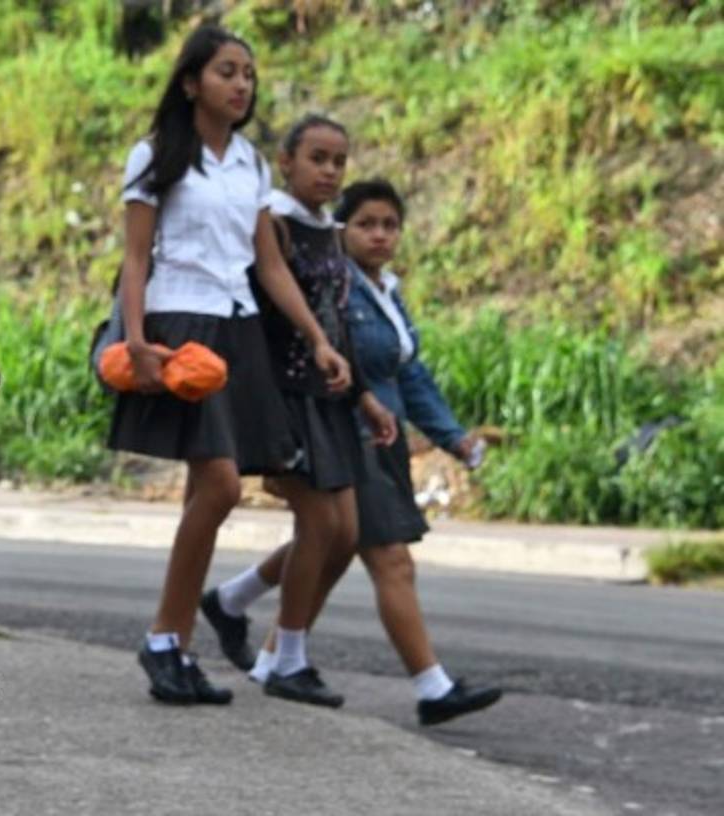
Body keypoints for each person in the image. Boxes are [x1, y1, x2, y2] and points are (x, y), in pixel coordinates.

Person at [110, 26, 352, 706]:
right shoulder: (155, 155)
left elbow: (268, 265)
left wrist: (318, 338)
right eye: (226, 71)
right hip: (177, 323)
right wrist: (135, 340)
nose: (241, 84)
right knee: (219, 486)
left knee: (208, 489)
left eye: (248, 73)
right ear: (191, 82)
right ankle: (164, 638)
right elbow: (135, 259)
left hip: (238, 327)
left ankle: (176, 647)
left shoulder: (250, 164)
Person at [205, 178, 503, 726]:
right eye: (367, 224)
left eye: (390, 225)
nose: (380, 235)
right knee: (387, 558)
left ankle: (248, 622)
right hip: (345, 431)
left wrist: (453, 438)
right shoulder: (333, 287)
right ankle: (431, 685)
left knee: (328, 543)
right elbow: (330, 354)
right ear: (342, 230)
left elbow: (409, 374)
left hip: (381, 436)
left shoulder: (387, 291)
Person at [200, 114, 396, 707]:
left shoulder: (329, 232)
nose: (330, 171)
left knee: (345, 534)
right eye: (318, 158)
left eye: (339, 160)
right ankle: (286, 656)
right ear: (286, 163)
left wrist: (363, 394)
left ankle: (231, 602)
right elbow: (257, 314)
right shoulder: (276, 227)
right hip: (284, 394)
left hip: (330, 396)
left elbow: (337, 326)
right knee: (320, 524)